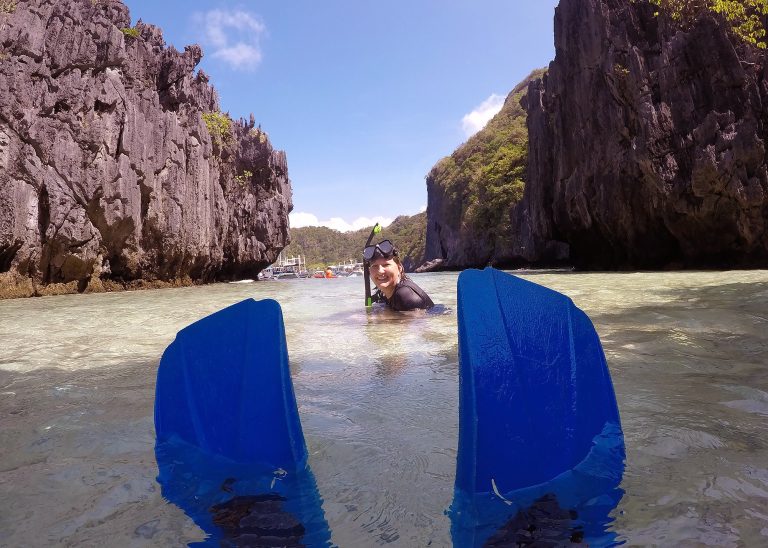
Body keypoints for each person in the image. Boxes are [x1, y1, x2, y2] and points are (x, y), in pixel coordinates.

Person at [364, 239, 434, 311]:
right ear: (369, 271)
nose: (380, 271)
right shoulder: (383, 294)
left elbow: (419, 321)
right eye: (375, 266)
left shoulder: (406, 295)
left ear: (399, 268)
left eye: (386, 265)